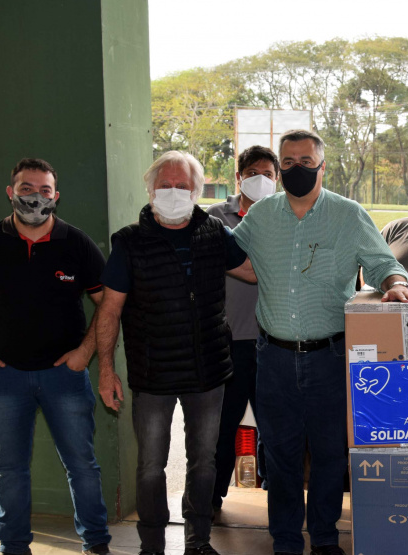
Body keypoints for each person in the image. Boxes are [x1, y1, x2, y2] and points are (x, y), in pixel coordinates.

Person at [230, 129, 408, 555]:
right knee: (279, 455)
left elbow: (382, 262)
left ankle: (323, 538)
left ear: (322, 166)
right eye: (288, 162)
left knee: (330, 453)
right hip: (274, 357)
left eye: (305, 161)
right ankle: (285, 541)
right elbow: (233, 256)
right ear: (279, 167)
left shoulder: (348, 214)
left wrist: (395, 283)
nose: (296, 169)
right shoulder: (261, 216)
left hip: (330, 356)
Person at [95, 151, 255, 555]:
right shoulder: (129, 242)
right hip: (153, 374)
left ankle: (198, 541)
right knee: (151, 466)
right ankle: (151, 545)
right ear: (150, 190)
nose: (172, 192)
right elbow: (109, 310)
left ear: (196, 190)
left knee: (204, 461)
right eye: (164, 185)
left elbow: (253, 271)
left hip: (208, 372)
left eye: (181, 185)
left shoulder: (215, 233)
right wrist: (106, 370)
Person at [0, 158, 112, 555]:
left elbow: (108, 303)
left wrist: (84, 353)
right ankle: (14, 546)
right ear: (11, 192)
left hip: (65, 377)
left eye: (44, 190)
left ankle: (96, 542)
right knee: (9, 469)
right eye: (26, 188)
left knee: (82, 465)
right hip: (5, 378)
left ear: (56, 196)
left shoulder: (77, 244)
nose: (35, 197)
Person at [207, 145, 278, 513]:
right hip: (228, 341)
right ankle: (211, 500)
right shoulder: (214, 218)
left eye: (267, 174)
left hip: (273, 341)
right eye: (252, 173)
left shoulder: (286, 215)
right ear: (238, 177)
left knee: (275, 427)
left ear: (277, 180)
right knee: (222, 427)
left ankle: (275, 498)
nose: (260, 180)